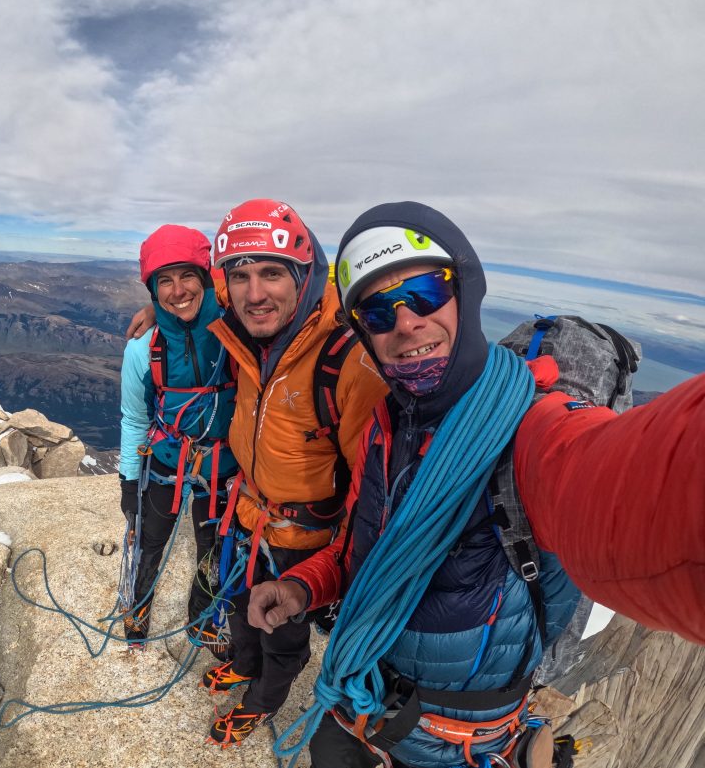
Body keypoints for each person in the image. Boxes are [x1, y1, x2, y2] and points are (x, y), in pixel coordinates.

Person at [248, 201, 705, 767]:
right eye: (378, 310)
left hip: (454, 747)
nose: (406, 323)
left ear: (465, 290)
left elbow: (629, 483)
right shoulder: (387, 428)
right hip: (366, 714)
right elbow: (374, 550)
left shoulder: (526, 429)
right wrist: (306, 586)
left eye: (424, 293)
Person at [198, 199, 387, 748]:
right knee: (240, 606)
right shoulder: (247, 342)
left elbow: (369, 487)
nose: (255, 293)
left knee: (282, 634)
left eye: (272, 273)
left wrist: (335, 571)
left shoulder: (347, 363)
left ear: (304, 276)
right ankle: (242, 664)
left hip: (305, 540)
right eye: (241, 275)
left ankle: (261, 701)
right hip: (250, 517)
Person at [118, 224, 238, 654]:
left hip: (223, 464)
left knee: (213, 544)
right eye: (163, 281)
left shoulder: (237, 329)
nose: (177, 290)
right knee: (150, 539)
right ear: (152, 290)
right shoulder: (142, 349)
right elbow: (134, 419)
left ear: (206, 277)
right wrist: (129, 482)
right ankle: (138, 611)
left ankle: (201, 622)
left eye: (187, 275)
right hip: (167, 459)